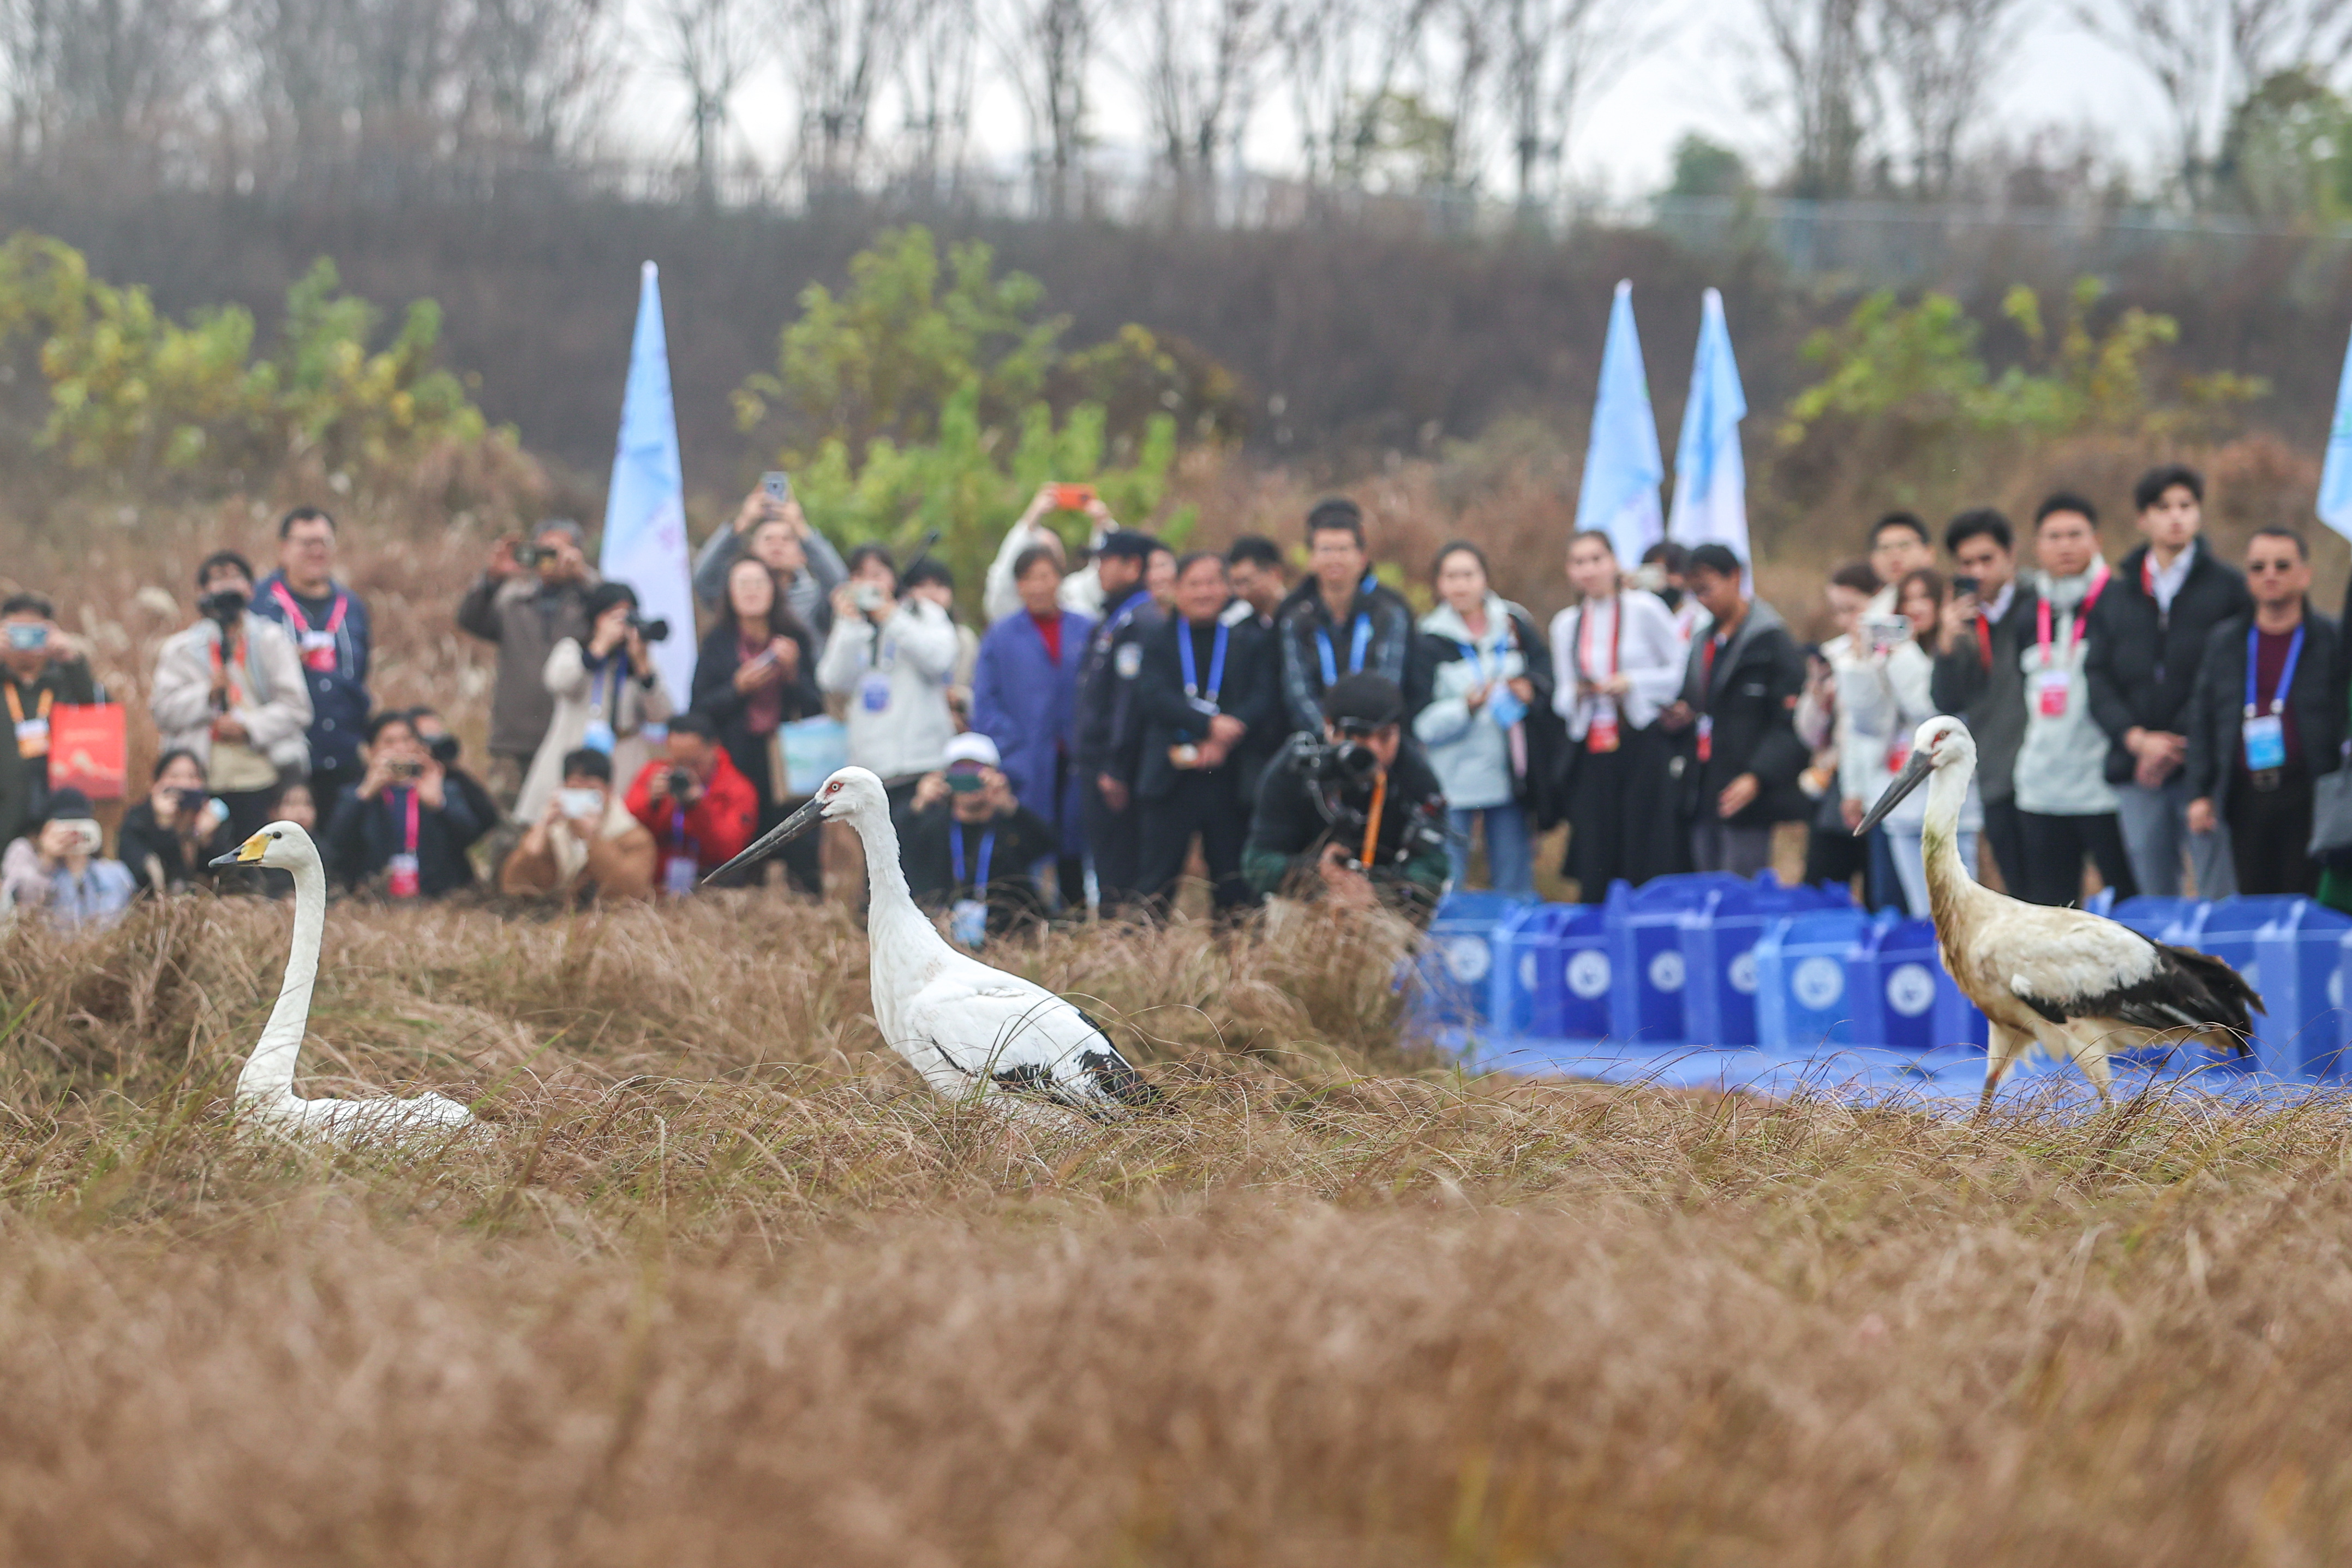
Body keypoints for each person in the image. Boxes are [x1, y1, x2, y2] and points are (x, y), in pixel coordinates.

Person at [2086, 463, 2249, 900]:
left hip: (2207, 765)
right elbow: (2096, 676)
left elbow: (2226, 678)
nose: (2175, 516)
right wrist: (2137, 739)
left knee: (2219, 890)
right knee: (2155, 900)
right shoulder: (2116, 593)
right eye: (2162, 507)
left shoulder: (2229, 587)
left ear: (2199, 514)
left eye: (2186, 505)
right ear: (2143, 518)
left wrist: (2177, 741)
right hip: (2139, 769)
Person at [2184, 529, 2339, 898]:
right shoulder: (2225, 641)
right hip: (2244, 796)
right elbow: (2202, 719)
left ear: (2305, 574)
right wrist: (2199, 793)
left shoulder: (2331, 639)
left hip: (2311, 794)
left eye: (2281, 565)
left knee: (2308, 903)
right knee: (2253, 901)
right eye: (2257, 567)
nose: (2269, 574)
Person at [1134, 551, 1280, 917]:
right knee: (1155, 883)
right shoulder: (1157, 637)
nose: (1204, 592)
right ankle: (1144, 960)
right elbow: (1152, 695)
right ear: (1176, 590)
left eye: (1213, 582)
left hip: (1229, 777)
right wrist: (1208, 727)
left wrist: (1225, 735)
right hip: (1171, 776)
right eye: (1194, 584)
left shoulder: (1249, 638)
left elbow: (1264, 696)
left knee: (1235, 885)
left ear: (1227, 587)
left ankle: (1239, 965)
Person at [2010, 494, 2135, 907]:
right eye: (2053, 537)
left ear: (2096, 540)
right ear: (2037, 547)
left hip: (2104, 788)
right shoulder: (2028, 612)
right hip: (2041, 788)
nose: (2065, 546)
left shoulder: (2122, 601)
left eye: (2074, 535)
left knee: (2126, 908)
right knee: (2050, 912)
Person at [1243, 673, 1449, 922]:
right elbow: (1257, 863)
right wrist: (1316, 874)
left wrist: (1378, 890)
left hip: (1386, 904)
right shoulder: (1295, 768)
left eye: (1386, 736)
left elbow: (1435, 866)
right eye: (1362, 738)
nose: (1375, 750)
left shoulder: (1414, 773)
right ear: (1330, 728)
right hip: (1306, 899)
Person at [1548, 531, 1684, 900]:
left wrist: (1633, 683)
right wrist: (1579, 693)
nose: (1588, 570)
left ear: (1613, 563)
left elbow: (1677, 671)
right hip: (1593, 743)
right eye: (1579, 562)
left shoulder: (1646, 609)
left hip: (1640, 737)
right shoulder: (1566, 625)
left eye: (1596, 559)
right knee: (1596, 842)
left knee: (1645, 841)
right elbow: (1560, 691)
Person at [1409, 542, 1547, 897]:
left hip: (1509, 775)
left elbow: (1546, 677)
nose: (1461, 585)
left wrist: (1529, 690)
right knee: (1446, 883)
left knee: (1514, 882)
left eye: (1468, 575)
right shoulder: (1426, 639)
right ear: (1438, 584)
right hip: (1452, 781)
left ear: (1484, 578)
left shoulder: (1513, 623)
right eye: (1451, 576)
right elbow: (1419, 721)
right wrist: (1464, 708)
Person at [1844, 568, 1980, 917]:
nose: (1916, 607)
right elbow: (1868, 724)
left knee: (1957, 912)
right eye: (1908, 600)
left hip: (1951, 804)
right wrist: (1862, 664)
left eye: (1925, 597)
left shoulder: (1956, 647)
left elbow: (1931, 710)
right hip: (1899, 802)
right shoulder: (1891, 656)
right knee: (1921, 914)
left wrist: (1902, 657)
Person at [148, 550, 313, 839]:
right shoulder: (180, 649)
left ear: (251, 588)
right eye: (218, 578)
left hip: (263, 772)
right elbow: (162, 712)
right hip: (203, 772)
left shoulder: (272, 640)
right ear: (203, 591)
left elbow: (297, 708)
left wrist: (247, 727)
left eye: (236, 576)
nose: (227, 585)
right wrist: (207, 695)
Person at [1668, 543, 1809, 878]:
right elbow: (1698, 702)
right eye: (1695, 593)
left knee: (1741, 890)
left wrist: (1758, 776)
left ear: (1735, 577)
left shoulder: (1772, 641)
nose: (1703, 600)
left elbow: (1793, 721)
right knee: (1706, 884)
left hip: (1747, 792)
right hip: (1703, 786)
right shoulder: (1703, 640)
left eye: (1708, 589)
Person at [970, 545, 1094, 907]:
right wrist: (1014, 747)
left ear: (1059, 579)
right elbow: (985, 704)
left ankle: (1076, 923)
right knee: (1026, 841)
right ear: (1018, 586)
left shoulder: (1084, 629)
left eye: (1045, 576)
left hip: (1076, 759)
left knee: (1074, 844)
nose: (1038, 586)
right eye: (1028, 579)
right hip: (1025, 762)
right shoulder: (1001, 635)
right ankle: (1030, 925)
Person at [691, 557, 824, 893]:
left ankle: (806, 910)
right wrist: (737, 689)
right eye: (743, 584)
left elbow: (815, 705)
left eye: (759, 583)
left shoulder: (795, 638)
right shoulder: (717, 642)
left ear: (774, 591)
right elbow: (699, 708)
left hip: (790, 759)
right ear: (730, 595)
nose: (751, 592)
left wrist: (793, 674)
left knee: (799, 841)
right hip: (736, 756)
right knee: (740, 840)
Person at [455, 517, 599, 810]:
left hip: (570, 739)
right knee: (510, 830)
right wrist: (492, 578)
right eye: (543, 551)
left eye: (559, 551)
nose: (550, 560)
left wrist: (583, 575)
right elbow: (470, 619)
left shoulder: (587, 601)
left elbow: (616, 610)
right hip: (514, 739)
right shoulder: (512, 599)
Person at [1931, 508, 2032, 895]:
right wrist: (1946, 645)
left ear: (2011, 555)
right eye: (1967, 563)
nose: (1978, 571)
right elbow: (1946, 700)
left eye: (1986, 559)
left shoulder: (2036, 602)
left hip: (2041, 772)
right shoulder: (1964, 621)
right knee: (2020, 895)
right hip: (1994, 775)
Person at [815, 543, 962, 805]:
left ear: (893, 578)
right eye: (861, 576)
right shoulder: (850, 623)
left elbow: (940, 661)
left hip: (925, 761)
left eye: (878, 574)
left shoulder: (923, 613)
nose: (870, 583)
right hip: (872, 767)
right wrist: (849, 626)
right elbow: (833, 680)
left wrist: (893, 618)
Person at [520, 580, 674, 829]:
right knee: (566, 831)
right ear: (596, 617)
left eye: (629, 616)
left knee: (613, 834)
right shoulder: (573, 650)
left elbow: (662, 715)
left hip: (623, 763)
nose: (622, 624)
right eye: (614, 616)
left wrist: (644, 668)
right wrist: (599, 648)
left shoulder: (639, 663)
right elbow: (559, 682)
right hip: (575, 760)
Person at [249, 506, 373, 807]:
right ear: (284, 548)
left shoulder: (352, 606)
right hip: (282, 758)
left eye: (324, 543)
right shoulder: (259, 604)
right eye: (306, 543)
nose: (316, 552)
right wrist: (283, 662)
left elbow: (361, 674)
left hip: (343, 754)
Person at [1073, 530, 1166, 914]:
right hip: (1097, 764)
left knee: (1119, 871)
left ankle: (1122, 949)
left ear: (1132, 566)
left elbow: (1129, 703)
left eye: (1105, 561)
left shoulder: (1140, 621)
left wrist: (1115, 765)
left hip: (1116, 769)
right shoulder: (1114, 618)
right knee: (1106, 864)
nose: (1097, 570)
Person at [1275, 498, 1422, 738]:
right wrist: (1331, 734)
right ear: (1312, 558)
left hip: (1380, 736)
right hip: (1318, 738)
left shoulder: (1389, 612)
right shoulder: (1295, 617)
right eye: (1326, 550)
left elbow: (1391, 680)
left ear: (1362, 558)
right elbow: (1297, 690)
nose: (1335, 558)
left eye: (1344, 550)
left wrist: (1365, 733)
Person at [897, 732, 1061, 943]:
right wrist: (919, 803)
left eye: (977, 773)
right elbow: (893, 843)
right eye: (959, 773)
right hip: (942, 939)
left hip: (1008, 939)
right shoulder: (932, 825)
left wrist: (1009, 806)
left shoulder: (1010, 826)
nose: (968, 782)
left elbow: (1049, 844)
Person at [322, 710, 488, 901]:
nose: (400, 748)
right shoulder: (356, 794)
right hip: (374, 898)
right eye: (389, 742)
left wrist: (439, 804)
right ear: (370, 751)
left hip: (435, 897)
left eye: (407, 740)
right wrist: (364, 794)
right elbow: (335, 844)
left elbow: (472, 835)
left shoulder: (442, 788)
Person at [1798, 561, 1882, 896]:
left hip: (1880, 780)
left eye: (1854, 609)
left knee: (1880, 891)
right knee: (1821, 883)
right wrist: (1818, 698)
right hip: (1837, 781)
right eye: (1839, 611)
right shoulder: (1831, 655)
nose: (1846, 621)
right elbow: (1808, 735)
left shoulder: (1894, 652)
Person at [1, 591, 104, 848]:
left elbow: (101, 714)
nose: (24, 642)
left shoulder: (66, 678)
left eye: (34, 633)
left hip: (58, 800)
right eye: (17, 632)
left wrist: (72, 661)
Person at [499, 747, 659, 902]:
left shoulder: (633, 836)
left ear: (609, 792)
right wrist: (540, 832)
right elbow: (515, 887)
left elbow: (630, 891)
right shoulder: (553, 832)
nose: (582, 799)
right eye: (575, 790)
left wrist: (592, 839)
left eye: (591, 790)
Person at [624, 711, 759, 893]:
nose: (686, 771)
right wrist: (651, 802)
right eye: (679, 763)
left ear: (714, 748)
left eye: (694, 763)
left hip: (709, 887)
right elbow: (623, 833)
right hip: (654, 886)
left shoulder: (738, 789)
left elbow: (730, 852)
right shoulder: (654, 775)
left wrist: (698, 807)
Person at [691, 482, 847, 637]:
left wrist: (801, 527)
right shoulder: (737, 597)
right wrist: (742, 523)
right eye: (768, 539)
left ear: (803, 555)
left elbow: (839, 585)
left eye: (787, 539)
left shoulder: (813, 600)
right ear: (753, 550)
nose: (777, 545)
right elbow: (703, 579)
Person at [985, 483, 1124, 623]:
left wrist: (1104, 524)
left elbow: (1108, 572)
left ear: (1061, 562)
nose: (1039, 586)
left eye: (1045, 574)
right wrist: (1030, 520)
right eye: (1032, 575)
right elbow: (1002, 580)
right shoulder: (1014, 605)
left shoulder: (1075, 593)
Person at [1, 788, 135, 927]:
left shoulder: (112, 873)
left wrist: (79, 868)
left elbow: (113, 916)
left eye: (79, 830)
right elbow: (18, 904)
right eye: (65, 830)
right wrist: (47, 860)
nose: (72, 837)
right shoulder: (25, 855)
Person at [116, 750, 235, 895]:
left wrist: (206, 839)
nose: (183, 784)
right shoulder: (137, 821)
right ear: (156, 784)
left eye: (193, 777)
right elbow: (144, 880)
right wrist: (163, 827)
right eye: (174, 776)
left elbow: (228, 880)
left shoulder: (212, 818)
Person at [901, 558, 981, 723]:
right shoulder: (900, 637)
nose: (932, 594)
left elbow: (981, 690)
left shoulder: (965, 639)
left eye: (940, 586)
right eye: (922, 586)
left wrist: (961, 698)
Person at [1633, 540, 1700, 642]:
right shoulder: (1639, 618)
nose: (1663, 580)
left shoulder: (1699, 618)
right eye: (1655, 574)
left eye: (1670, 571)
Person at [1866, 513, 1935, 609]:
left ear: (1929, 553)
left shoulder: (1949, 601)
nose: (1895, 556)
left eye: (1904, 545)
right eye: (1885, 548)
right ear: (1873, 559)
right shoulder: (1872, 612)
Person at [1223, 535, 1289, 629]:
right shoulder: (1235, 624)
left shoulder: (1300, 616)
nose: (1241, 592)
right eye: (1236, 584)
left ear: (1274, 574)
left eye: (1245, 582)